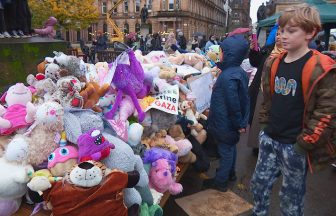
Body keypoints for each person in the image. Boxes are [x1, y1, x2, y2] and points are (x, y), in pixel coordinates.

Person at [250, 5, 336, 216]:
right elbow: (268, 99)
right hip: (270, 138)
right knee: (258, 185)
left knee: (291, 200)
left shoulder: (321, 67)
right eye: (281, 30)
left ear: (310, 32)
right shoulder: (274, 62)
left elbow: (327, 113)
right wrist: (263, 126)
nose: (283, 36)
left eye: (291, 30)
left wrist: (303, 144)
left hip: (294, 146)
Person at [203, 34, 250, 192]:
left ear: (230, 54)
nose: (219, 54)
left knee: (226, 151)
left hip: (226, 123)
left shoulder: (228, 77)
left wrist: (239, 123)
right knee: (230, 148)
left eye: (221, 51)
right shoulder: (237, 72)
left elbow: (234, 104)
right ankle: (230, 174)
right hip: (229, 123)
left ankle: (221, 181)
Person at [247, 25, 283, 155]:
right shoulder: (268, 48)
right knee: (257, 119)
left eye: (281, 34)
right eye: (277, 34)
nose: (278, 36)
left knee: (270, 120)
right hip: (260, 89)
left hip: (275, 93)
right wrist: (253, 51)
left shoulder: (289, 54)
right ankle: (257, 146)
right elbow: (255, 62)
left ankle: (269, 147)